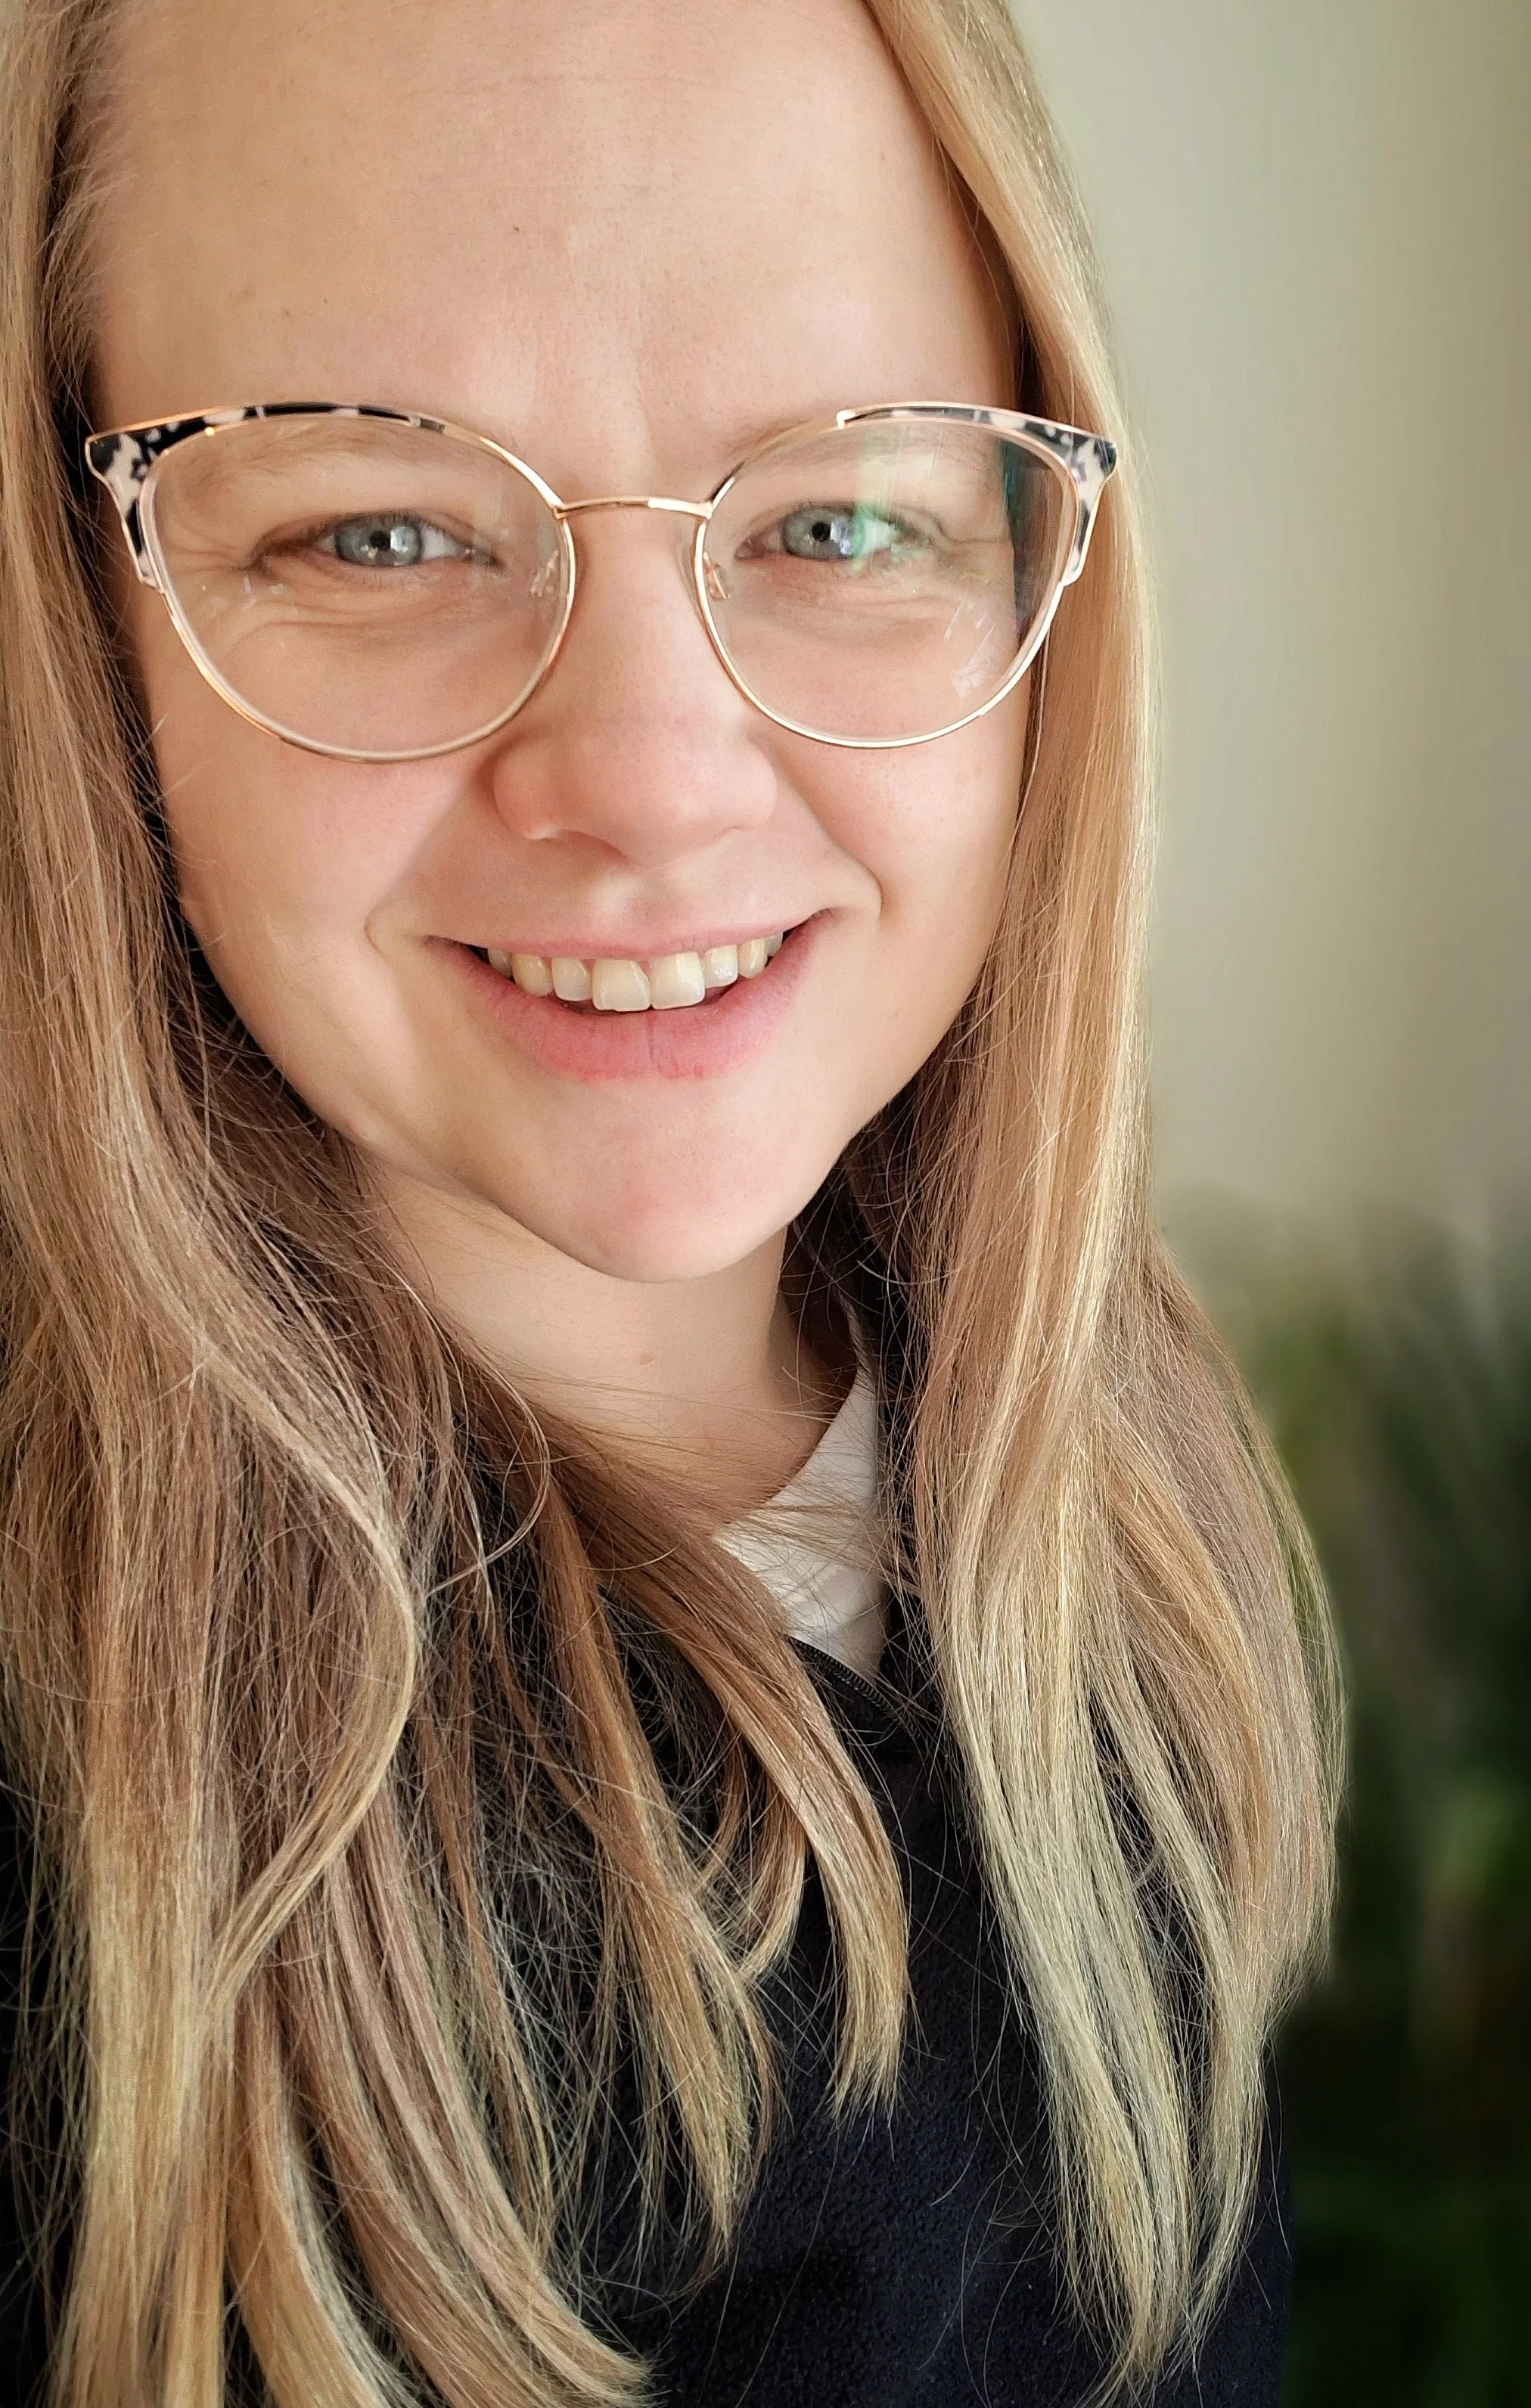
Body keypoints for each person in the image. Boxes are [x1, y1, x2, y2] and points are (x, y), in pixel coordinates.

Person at [0, 0, 1340, 2400]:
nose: (647, 782)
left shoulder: (1099, 1457)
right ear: (80, 625)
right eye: (374, 528)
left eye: (840, 518)